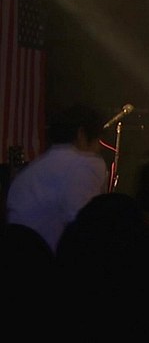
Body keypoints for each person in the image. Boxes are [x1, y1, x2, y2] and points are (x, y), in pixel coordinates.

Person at [6, 103, 109, 253]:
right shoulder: (86, 164)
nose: (99, 148)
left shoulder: (32, 170)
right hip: (51, 260)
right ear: (81, 134)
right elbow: (88, 227)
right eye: (98, 140)